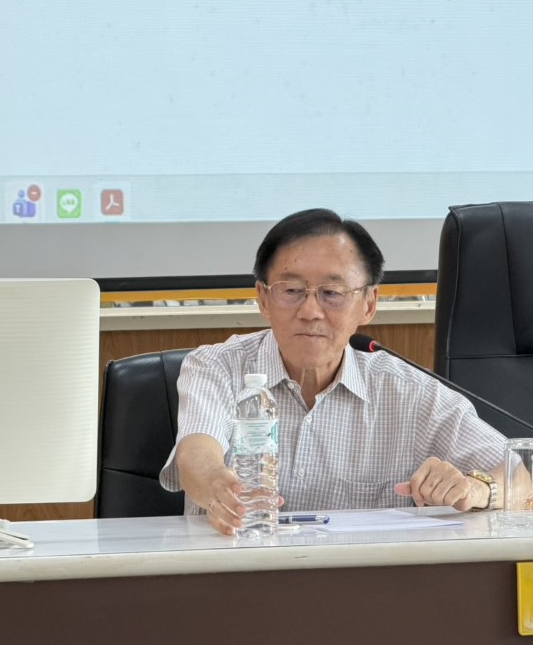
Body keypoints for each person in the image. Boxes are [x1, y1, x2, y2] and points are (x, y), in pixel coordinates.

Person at [159, 208, 507, 536]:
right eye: (292, 291)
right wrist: (218, 486)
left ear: (369, 304)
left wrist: (475, 489)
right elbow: (196, 455)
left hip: (361, 577)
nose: (310, 311)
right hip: (237, 567)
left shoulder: (409, 391)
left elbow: (521, 473)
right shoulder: (217, 366)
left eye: (332, 293)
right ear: (263, 298)